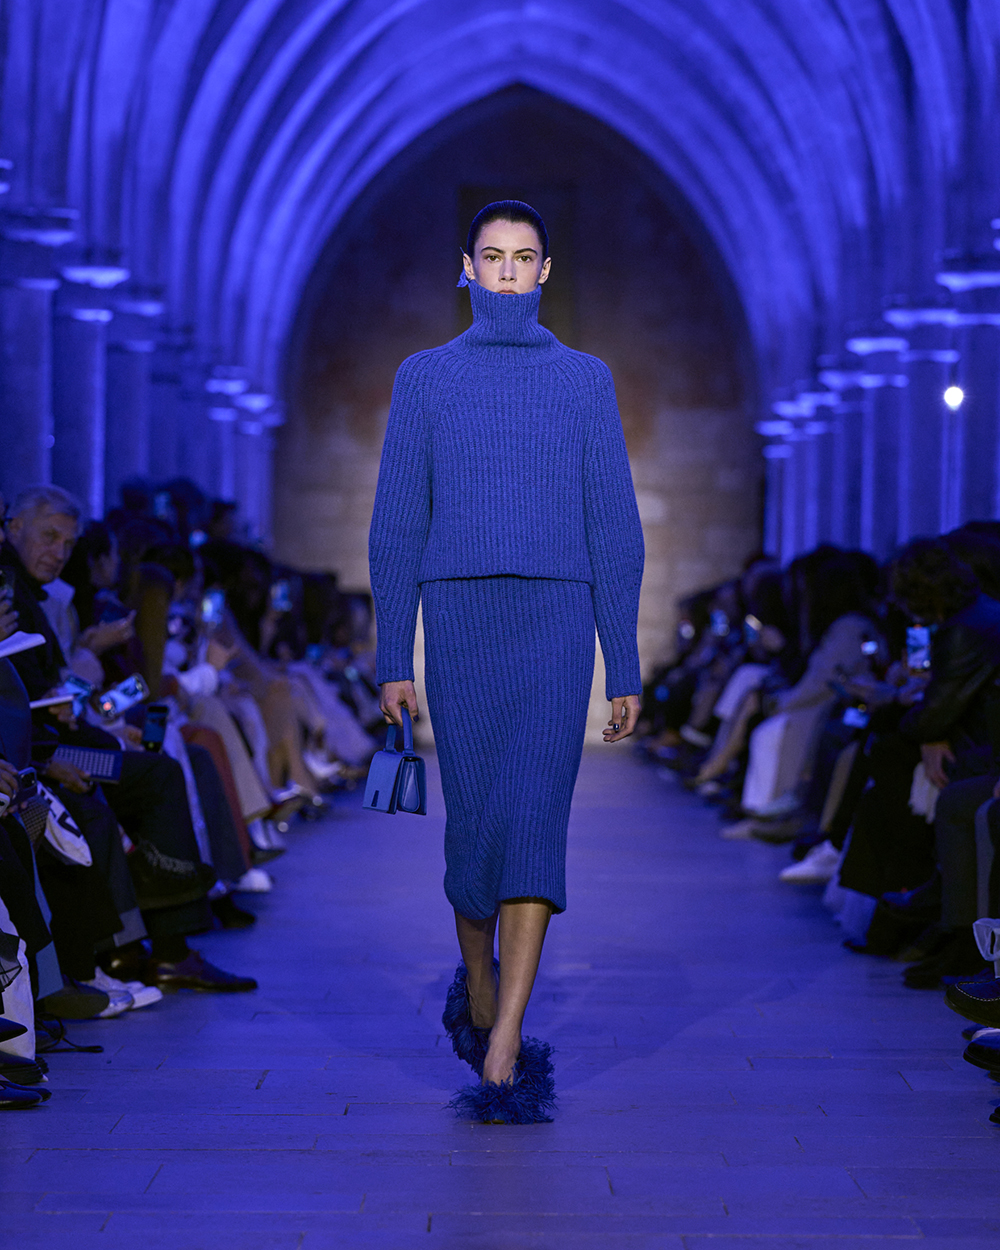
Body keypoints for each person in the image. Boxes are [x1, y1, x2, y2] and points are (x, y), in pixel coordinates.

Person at [369, 200, 644, 1123]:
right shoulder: (425, 378)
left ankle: (503, 1043)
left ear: (546, 271)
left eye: (524, 257)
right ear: (467, 266)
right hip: (460, 621)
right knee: (475, 830)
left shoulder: (585, 381)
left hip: (555, 626)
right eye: (493, 256)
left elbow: (615, 529)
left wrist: (623, 663)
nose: (508, 271)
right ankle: (479, 984)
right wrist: (392, 653)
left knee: (533, 825)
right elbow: (397, 524)